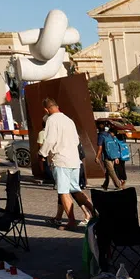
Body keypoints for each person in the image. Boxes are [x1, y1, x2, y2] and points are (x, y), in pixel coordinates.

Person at [39, 97, 95, 228]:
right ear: (57, 106)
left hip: (61, 160)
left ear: (46, 109)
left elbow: (50, 140)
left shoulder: (51, 120)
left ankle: (71, 221)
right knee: (76, 189)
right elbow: (76, 141)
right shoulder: (69, 120)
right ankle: (95, 212)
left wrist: (42, 153)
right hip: (74, 160)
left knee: (63, 191)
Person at [97, 122, 125, 190]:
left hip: (107, 156)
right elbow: (114, 146)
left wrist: (97, 157)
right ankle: (105, 184)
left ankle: (118, 186)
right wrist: (116, 157)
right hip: (112, 155)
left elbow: (100, 147)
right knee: (108, 171)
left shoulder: (100, 136)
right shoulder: (109, 135)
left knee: (111, 171)